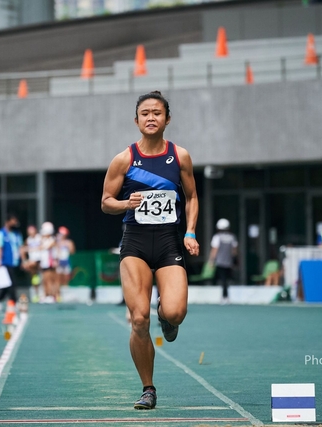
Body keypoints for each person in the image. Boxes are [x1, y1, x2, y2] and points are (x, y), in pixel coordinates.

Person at [101, 91, 200, 410]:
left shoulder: (180, 155)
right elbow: (106, 202)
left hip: (170, 241)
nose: (151, 117)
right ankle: (148, 388)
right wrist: (124, 203)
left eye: (157, 112)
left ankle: (166, 317)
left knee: (175, 312)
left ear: (167, 119)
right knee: (139, 319)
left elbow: (192, 197)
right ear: (136, 120)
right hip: (136, 243)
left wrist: (190, 231)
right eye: (145, 113)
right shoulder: (124, 159)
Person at [0, 214, 22, 312]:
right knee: (11, 283)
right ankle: (14, 301)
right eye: (13, 221)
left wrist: (23, 260)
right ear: (7, 221)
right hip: (5, 263)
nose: (15, 223)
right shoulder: (0, 234)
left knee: (6, 285)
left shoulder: (16, 234)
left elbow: (20, 248)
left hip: (14, 262)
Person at [208, 218, 237, 305]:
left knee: (222, 279)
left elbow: (214, 250)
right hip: (229, 261)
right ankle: (226, 296)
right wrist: (234, 260)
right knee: (227, 279)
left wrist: (211, 260)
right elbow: (234, 251)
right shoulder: (232, 237)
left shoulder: (217, 237)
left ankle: (224, 296)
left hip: (220, 261)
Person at [20, 225, 42, 303]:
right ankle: (37, 295)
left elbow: (42, 247)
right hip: (32, 260)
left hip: (40, 260)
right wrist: (24, 260)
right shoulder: (28, 240)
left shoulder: (40, 237)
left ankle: (44, 294)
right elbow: (23, 249)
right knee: (34, 278)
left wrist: (31, 249)